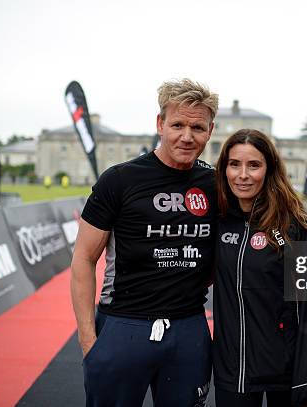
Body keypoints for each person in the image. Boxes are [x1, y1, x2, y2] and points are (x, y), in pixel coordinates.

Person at [70, 78, 218, 407]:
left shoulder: (215, 184)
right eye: (177, 124)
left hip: (189, 328)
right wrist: (88, 339)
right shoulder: (120, 179)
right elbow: (83, 258)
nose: (187, 136)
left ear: (210, 130)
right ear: (160, 124)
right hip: (123, 325)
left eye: (198, 127)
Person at [213, 129, 307, 407]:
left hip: (282, 369)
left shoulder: (296, 226)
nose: (243, 175)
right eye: (234, 164)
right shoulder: (218, 218)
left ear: (269, 168)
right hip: (231, 369)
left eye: (254, 165)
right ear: (224, 168)